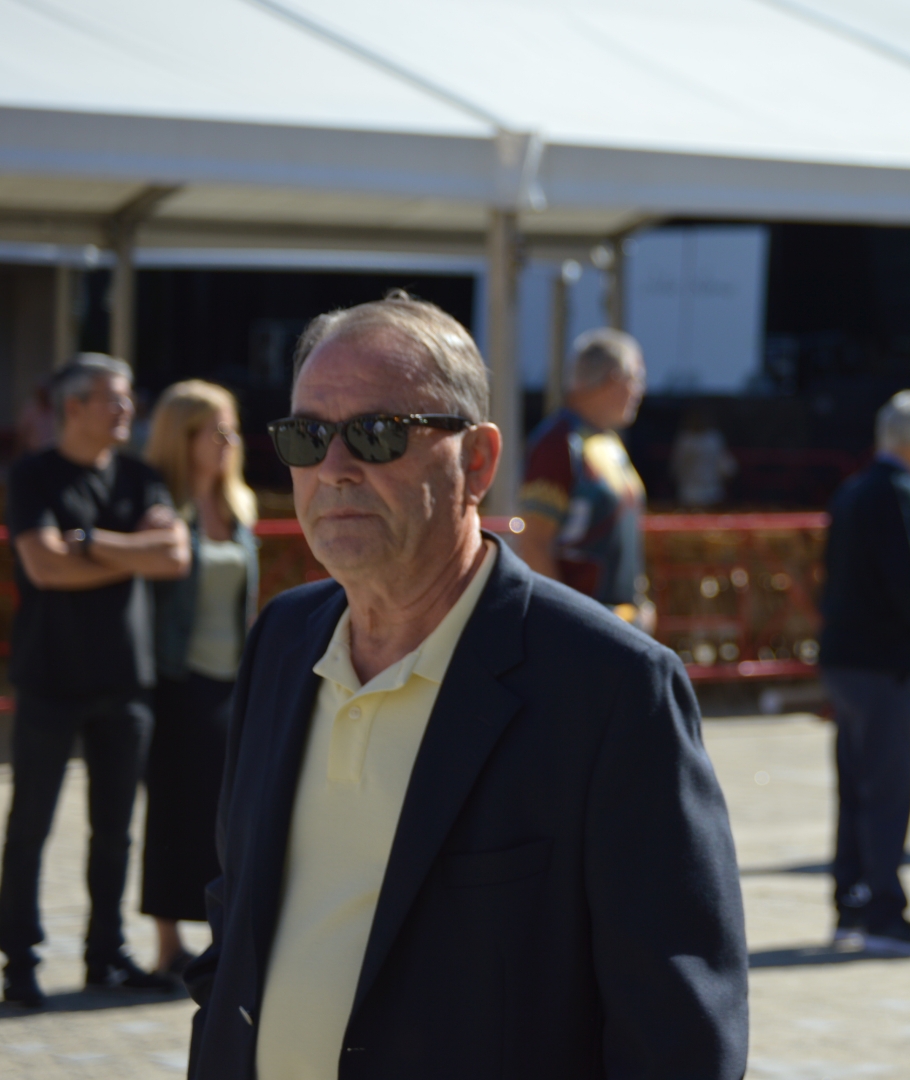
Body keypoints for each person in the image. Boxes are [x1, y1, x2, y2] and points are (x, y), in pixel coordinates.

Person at [185, 293, 747, 1079]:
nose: (334, 469)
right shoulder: (283, 640)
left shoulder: (610, 687)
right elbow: (238, 918)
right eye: (307, 436)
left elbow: (676, 1029)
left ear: (477, 462)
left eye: (376, 435)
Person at [1, 354, 190, 1007]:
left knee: (115, 830)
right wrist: (124, 551)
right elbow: (44, 568)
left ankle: (105, 955)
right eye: (113, 400)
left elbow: (174, 557)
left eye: (129, 399)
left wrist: (85, 542)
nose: (127, 411)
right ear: (72, 407)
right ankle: (19, 960)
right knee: (31, 826)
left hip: (126, 681)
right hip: (49, 679)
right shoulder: (31, 476)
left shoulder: (142, 477)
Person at [818, 389, 910, 955]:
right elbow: (909, 589)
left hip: (844, 659)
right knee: (887, 790)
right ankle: (882, 910)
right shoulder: (899, 493)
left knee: (855, 783)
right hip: (880, 663)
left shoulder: (854, 488)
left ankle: (849, 899)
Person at [143, 380, 259, 979]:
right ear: (182, 437)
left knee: (229, 810)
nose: (229, 441)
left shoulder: (241, 507)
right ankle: (166, 944)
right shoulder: (159, 506)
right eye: (216, 430)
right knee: (173, 810)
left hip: (232, 680)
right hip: (176, 680)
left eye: (232, 428)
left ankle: (224, 932)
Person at [516, 328, 653, 629]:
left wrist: (639, 603)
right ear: (615, 378)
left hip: (619, 625)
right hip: (588, 629)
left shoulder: (607, 442)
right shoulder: (559, 442)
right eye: (637, 378)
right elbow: (535, 543)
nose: (640, 390)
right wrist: (569, 624)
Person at [670, 408, 737, 508]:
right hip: (710, 494)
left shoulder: (684, 440)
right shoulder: (714, 439)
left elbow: (674, 469)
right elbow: (728, 469)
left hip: (689, 494)